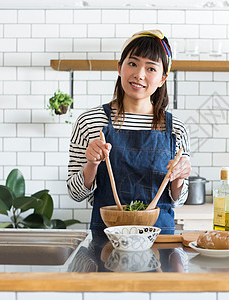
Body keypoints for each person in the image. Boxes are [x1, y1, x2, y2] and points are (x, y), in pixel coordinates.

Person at [67, 30, 191, 234]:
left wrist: (179, 177)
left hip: (159, 243)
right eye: (132, 63)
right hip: (107, 243)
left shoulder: (176, 129)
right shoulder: (90, 121)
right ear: (119, 67)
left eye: (151, 68)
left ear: (162, 79)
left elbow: (179, 199)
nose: (139, 74)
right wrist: (91, 164)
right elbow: (76, 193)